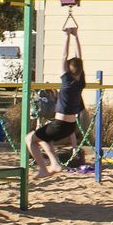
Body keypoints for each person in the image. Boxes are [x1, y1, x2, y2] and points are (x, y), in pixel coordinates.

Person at [28, 22, 87, 179]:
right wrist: (76, 36)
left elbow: (64, 56)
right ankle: (53, 163)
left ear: (68, 69)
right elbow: (79, 58)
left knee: (30, 139)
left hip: (59, 124)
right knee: (43, 139)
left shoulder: (67, 80)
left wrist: (67, 36)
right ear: (80, 70)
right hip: (71, 126)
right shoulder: (81, 82)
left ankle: (46, 167)